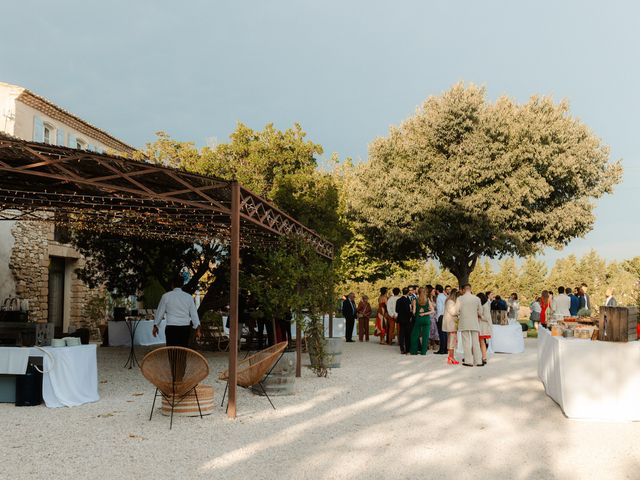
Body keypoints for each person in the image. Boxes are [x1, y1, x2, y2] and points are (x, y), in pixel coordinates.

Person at [153, 276, 201, 347]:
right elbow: (194, 314)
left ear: (172, 284)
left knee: (171, 350)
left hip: (171, 327)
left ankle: (173, 358)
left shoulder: (166, 296)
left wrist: (155, 326)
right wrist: (198, 329)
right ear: (182, 284)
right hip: (185, 328)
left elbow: (160, 312)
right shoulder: (188, 297)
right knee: (182, 351)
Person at [456, 284, 483, 367]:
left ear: (463, 290)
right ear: (470, 289)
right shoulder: (477, 298)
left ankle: (469, 361)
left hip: (464, 322)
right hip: (474, 322)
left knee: (466, 342)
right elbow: (480, 312)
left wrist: (459, 315)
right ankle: (478, 361)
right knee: (476, 342)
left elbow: (456, 311)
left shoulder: (459, 299)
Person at [410, 287, 433, 355]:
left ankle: (414, 351)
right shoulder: (428, 300)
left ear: (418, 292)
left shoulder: (415, 300)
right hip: (426, 319)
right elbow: (432, 311)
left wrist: (412, 310)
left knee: (414, 335)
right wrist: (425, 313)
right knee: (425, 336)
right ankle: (423, 352)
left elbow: (414, 312)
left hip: (418, 319)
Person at [442, 288, 459, 365]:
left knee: (451, 341)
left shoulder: (449, 301)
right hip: (451, 323)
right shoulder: (450, 302)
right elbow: (453, 312)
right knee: (452, 341)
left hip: (451, 323)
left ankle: (450, 357)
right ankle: (451, 357)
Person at [395, 287, 413, 355]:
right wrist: (411, 315)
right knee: (407, 334)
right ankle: (408, 349)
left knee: (401, 334)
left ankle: (402, 349)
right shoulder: (408, 300)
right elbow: (409, 310)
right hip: (407, 319)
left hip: (400, 319)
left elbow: (396, 310)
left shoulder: (398, 300)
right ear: (408, 292)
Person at [477, 292, 492, 365]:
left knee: (482, 342)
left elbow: (487, 318)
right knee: (479, 342)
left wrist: (479, 315)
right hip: (480, 326)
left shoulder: (485, 306)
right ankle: (482, 357)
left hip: (483, 327)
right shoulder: (483, 305)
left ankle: (484, 357)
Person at [435, 284, 448, 355]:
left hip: (440, 316)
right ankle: (445, 349)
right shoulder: (445, 296)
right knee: (445, 333)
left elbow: (439, 309)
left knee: (441, 333)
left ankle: (442, 350)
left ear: (437, 290)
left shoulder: (439, 297)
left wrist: (437, 318)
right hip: (446, 315)